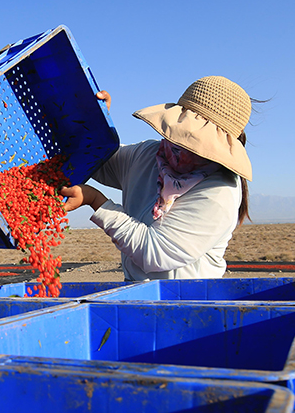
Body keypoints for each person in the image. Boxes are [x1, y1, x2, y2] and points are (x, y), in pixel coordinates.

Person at [60, 75, 253, 281]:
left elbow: (155, 253)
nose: (181, 148)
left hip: (186, 302)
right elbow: (99, 162)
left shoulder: (218, 192)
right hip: (136, 291)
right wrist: (92, 124)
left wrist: (96, 201)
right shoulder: (149, 155)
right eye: (179, 136)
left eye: (194, 144)